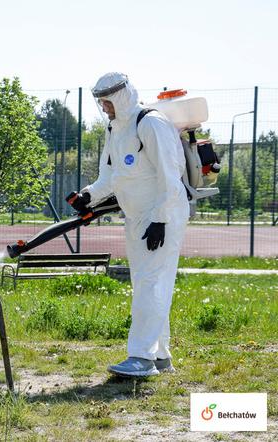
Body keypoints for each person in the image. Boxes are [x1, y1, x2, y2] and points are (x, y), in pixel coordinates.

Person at [69, 72, 190, 377]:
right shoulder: (115, 129)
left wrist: (161, 219)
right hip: (137, 217)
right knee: (148, 284)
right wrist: (88, 195)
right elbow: (111, 177)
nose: (105, 107)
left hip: (163, 216)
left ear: (121, 96)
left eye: (108, 101)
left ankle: (141, 358)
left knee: (150, 284)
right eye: (102, 103)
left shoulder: (150, 123)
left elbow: (170, 177)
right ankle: (160, 357)